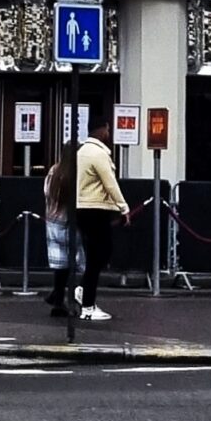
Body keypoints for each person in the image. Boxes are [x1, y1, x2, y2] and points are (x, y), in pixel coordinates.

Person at [73, 120, 129, 323]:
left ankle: (83, 291)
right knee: (101, 254)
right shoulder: (98, 153)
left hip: (82, 207)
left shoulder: (81, 152)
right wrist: (123, 207)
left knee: (95, 256)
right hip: (96, 208)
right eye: (107, 129)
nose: (109, 133)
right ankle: (87, 305)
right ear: (102, 129)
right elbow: (110, 182)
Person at [43, 143, 78, 317]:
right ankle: (68, 299)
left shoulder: (54, 171)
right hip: (68, 222)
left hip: (52, 221)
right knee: (75, 263)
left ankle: (57, 296)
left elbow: (46, 192)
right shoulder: (74, 174)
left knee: (60, 264)